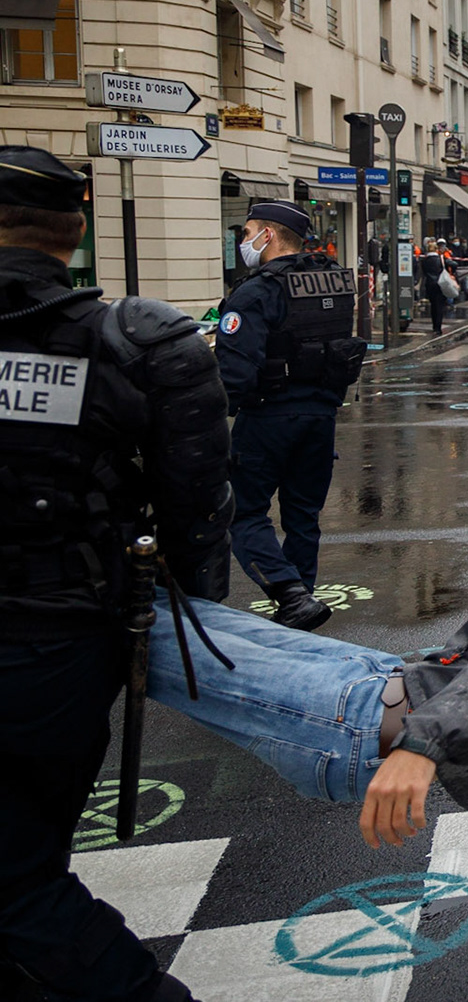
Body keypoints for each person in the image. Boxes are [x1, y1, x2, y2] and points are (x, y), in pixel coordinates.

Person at [0, 145, 235, 1002]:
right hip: (68, 637)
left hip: (55, 631)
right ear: (77, 227)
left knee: (18, 878)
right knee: (32, 843)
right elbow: (198, 502)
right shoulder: (136, 338)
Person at [150, 455, 468, 814]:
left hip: (383, 727)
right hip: (400, 683)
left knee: (148, 634)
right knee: (186, 616)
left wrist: (425, 741)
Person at [214, 199, 366, 630]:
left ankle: (288, 593)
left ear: (269, 235)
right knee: (302, 516)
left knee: (243, 512)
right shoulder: (331, 282)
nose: (243, 242)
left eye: (246, 233)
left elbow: (236, 371)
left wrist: (215, 415)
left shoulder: (256, 290)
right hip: (320, 416)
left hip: (268, 417)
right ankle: (301, 604)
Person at [418, 240, 451, 335]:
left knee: (433, 305)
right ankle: (438, 327)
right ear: (436, 249)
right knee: (439, 306)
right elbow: (453, 264)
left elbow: (423, 272)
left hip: (429, 284)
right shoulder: (440, 259)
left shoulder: (424, 260)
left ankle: (434, 326)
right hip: (440, 284)